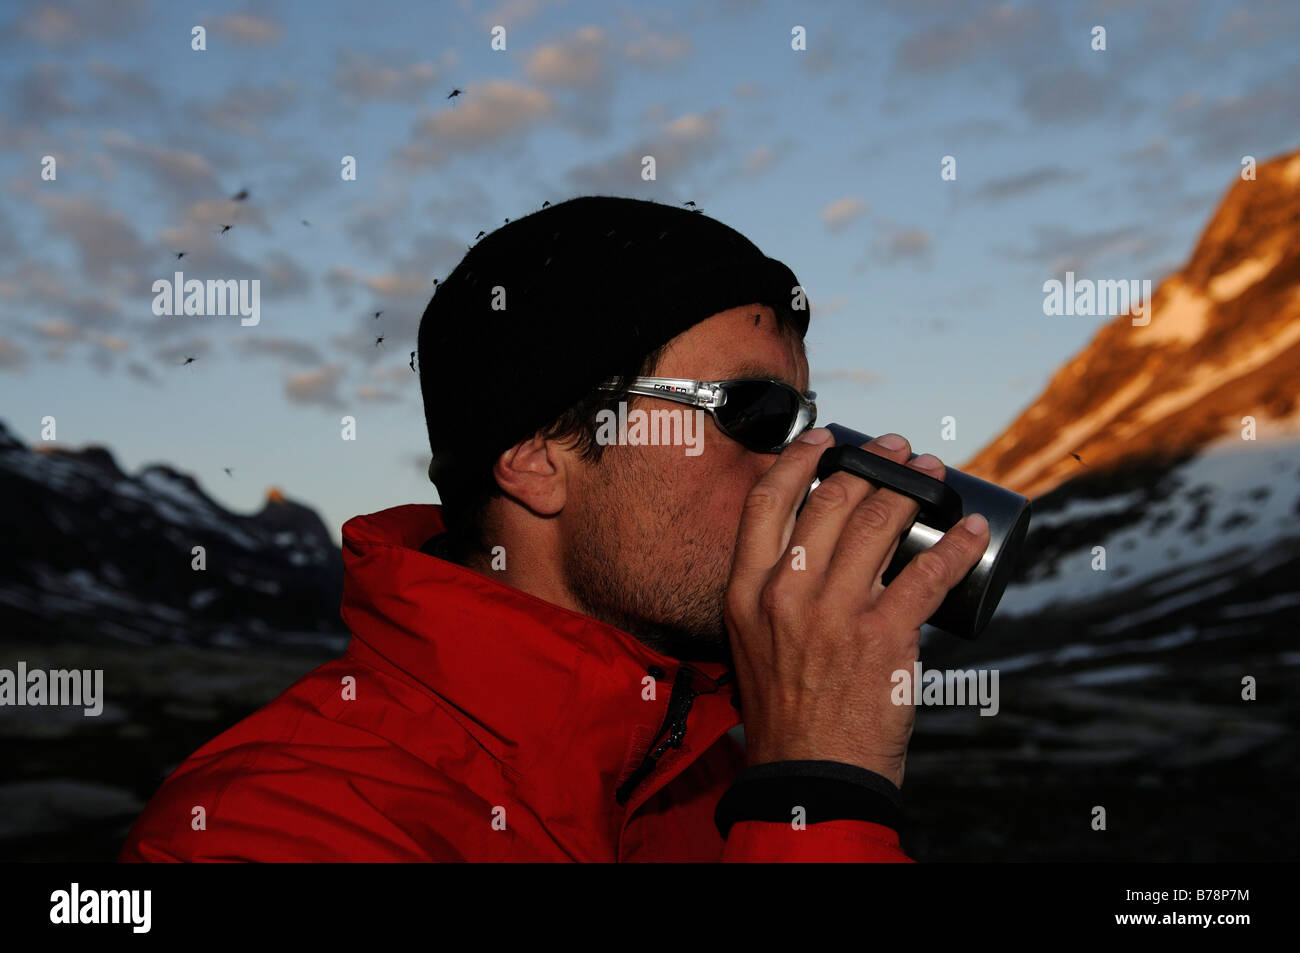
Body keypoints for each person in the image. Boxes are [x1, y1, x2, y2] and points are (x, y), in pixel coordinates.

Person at [119, 195, 989, 862]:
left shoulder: (705, 777)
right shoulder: (271, 825)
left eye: (802, 422)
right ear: (538, 455)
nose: (796, 468)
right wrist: (819, 795)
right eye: (751, 412)